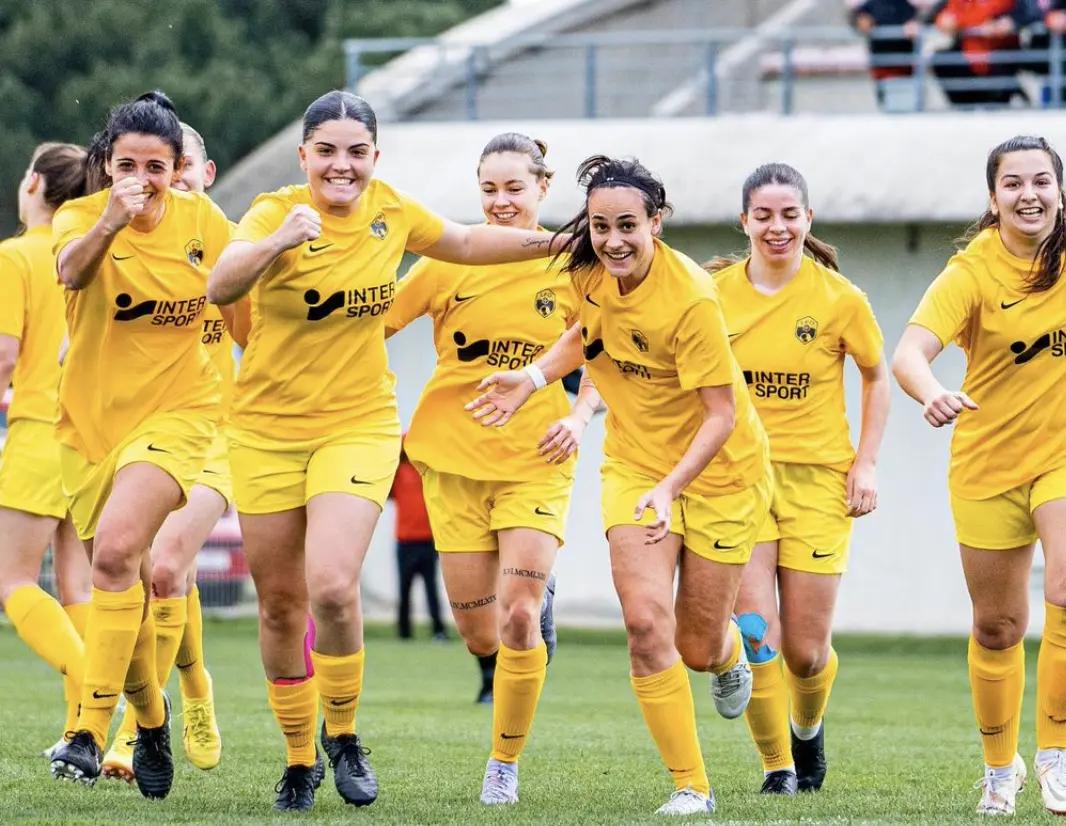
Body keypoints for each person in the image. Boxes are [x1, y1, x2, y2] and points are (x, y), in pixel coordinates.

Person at [206, 90, 567, 813]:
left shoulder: (392, 210)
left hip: (359, 423)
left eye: (357, 151)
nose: (342, 165)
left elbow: (463, 244)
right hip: (266, 430)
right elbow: (219, 285)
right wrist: (280, 242)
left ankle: (344, 737)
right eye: (328, 151)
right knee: (281, 606)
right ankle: (300, 758)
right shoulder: (274, 213)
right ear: (304, 156)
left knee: (333, 586)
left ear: (375, 157)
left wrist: (559, 242)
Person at [465, 155, 770, 817]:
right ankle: (692, 786)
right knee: (642, 625)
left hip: (720, 474)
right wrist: (535, 377)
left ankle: (727, 654)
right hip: (632, 466)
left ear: (655, 222)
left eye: (628, 225)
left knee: (695, 644)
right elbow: (587, 334)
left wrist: (671, 488)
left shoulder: (691, 297)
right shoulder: (587, 270)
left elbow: (722, 415)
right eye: (601, 227)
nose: (614, 240)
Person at [384, 132, 600, 805]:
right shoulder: (451, 258)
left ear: (543, 185)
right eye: (489, 190)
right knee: (482, 635)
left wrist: (577, 416)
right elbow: (372, 321)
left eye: (514, 188)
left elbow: (604, 353)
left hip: (536, 461)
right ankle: (525, 616)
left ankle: (502, 769)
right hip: (450, 463)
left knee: (518, 619)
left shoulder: (573, 268)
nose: (502, 201)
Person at [48, 91, 233, 802]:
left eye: (158, 166)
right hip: (91, 429)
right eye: (128, 164)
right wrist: (112, 221)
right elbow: (71, 271)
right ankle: (153, 718)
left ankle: (90, 732)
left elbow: (247, 300)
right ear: (105, 164)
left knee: (128, 555)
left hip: (184, 417)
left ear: (179, 167)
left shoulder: (204, 223)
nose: (144, 179)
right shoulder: (80, 220)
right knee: (132, 574)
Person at [893, 135, 1066, 817]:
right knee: (998, 625)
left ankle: (1056, 752)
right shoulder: (970, 273)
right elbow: (909, 352)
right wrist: (931, 390)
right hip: (988, 463)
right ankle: (1002, 767)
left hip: (1062, 459)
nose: (1030, 195)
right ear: (993, 199)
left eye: (1042, 181)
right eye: (1014, 184)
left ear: (1060, 190)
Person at [706, 163, 889, 796]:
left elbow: (876, 375)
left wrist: (864, 462)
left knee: (806, 652)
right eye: (764, 215)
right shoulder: (714, 294)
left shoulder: (841, 299)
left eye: (790, 215)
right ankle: (777, 768)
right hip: (737, 481)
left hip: (817, 483)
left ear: (808, 220)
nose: (777, 226)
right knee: (760, 636)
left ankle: (808, 735)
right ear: (745, 222)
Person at [100, 122, 231, 783]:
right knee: (146, 573)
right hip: (147, 432)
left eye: (179, 167)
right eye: (153, 168)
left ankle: (140, 728)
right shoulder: (128, 241)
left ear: (202, 173)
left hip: (220, 432)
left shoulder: (226, 241)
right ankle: (181, 687)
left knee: (168, 565)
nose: (165, 180)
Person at [0, 142, 93, 757]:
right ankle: (80, 734)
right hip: (86, 434)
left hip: (36, 428)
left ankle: (95, 684)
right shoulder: (86, 252)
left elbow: (6, 356)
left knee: (11, 581)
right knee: (78, 591)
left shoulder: (17, 256)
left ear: (34, 183)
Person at [389, 437, 447, 642]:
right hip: (405, 542)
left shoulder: (430, 473)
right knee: (404, 590)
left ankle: (439, 631)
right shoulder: (398, 472)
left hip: (428, 541)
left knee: (432, 590)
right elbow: (387, 492)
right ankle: (404, 633)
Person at [931, 0, 1026, 107]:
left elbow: (1002, 18)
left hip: (996, 57)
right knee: (942, 59)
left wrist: (963, 22)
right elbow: (947, 18)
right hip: (969, 58)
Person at [848, 0, 923, 108]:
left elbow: (919, 19)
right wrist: (860, 21)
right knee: (886, 100)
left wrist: (914, 23)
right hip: (881, 64)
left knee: (906, 99)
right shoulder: (870, 5)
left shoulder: (905, 5)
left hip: (904, 64)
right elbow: (854, 18)